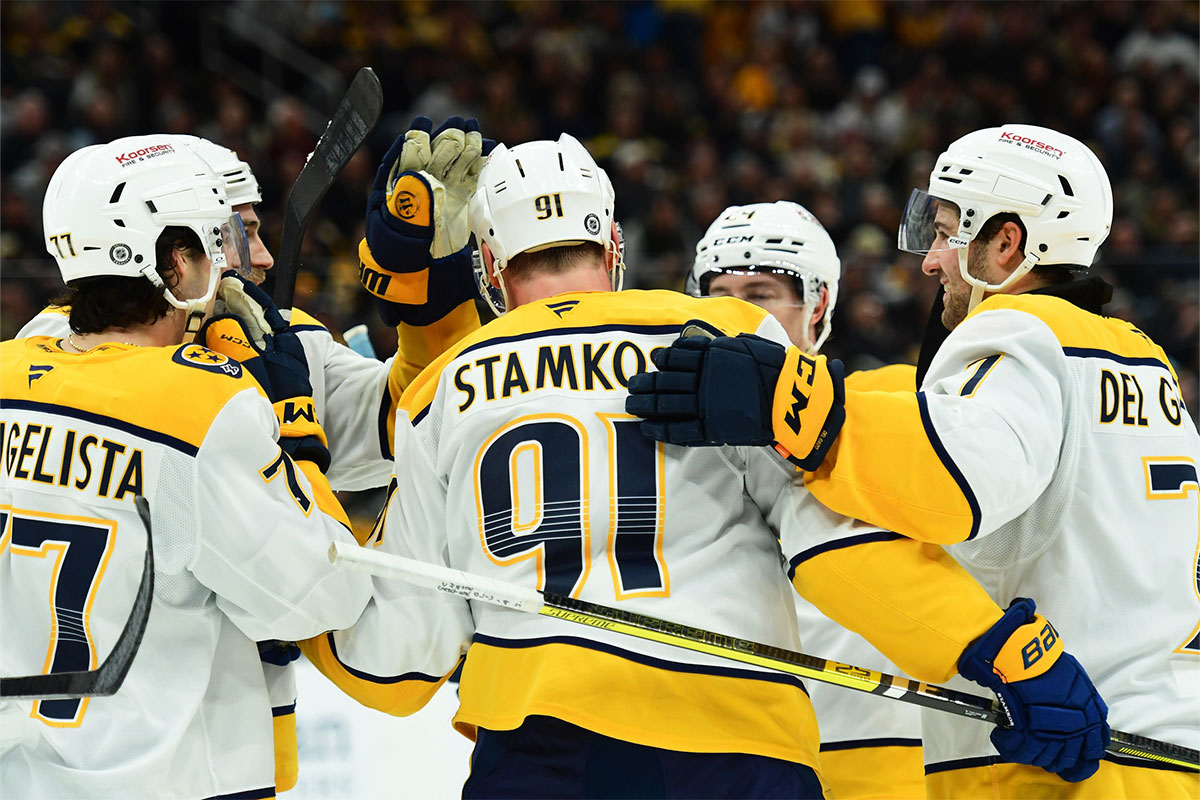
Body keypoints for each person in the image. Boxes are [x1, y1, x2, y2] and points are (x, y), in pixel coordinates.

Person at [300, 133, 1107, 798]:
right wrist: (1005, 654)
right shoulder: (724, 342)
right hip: (739, 752)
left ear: (486, 264)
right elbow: (837, 549)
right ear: (614, 246)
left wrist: (291, 480)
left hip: (540, 761)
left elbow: (394, 661)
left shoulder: (443, 390)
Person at [629, 123, 1199, 798]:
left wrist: (793, 402)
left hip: (1058, 751)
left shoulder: (1016, 333)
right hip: (1165, 738)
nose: (930, 261)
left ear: (1007, 243)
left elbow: (955, 478)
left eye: (950, 231)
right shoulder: (1142, 360)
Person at [12, 119, 491, 790]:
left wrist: (426, 309)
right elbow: (328, 591)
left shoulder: (24, 362)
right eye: (241, 231)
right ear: (176, 254)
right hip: (172, 770)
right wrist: (293, 433)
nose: (263, 257)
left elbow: (389, 413)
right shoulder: (211, 397)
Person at [691, 200, 925, 800]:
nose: (735, 315)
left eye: (760, 293)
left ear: (818, 303)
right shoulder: (675, 437)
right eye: (718, 295)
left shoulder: (882, 412)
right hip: (727, 753)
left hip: (875, 748)